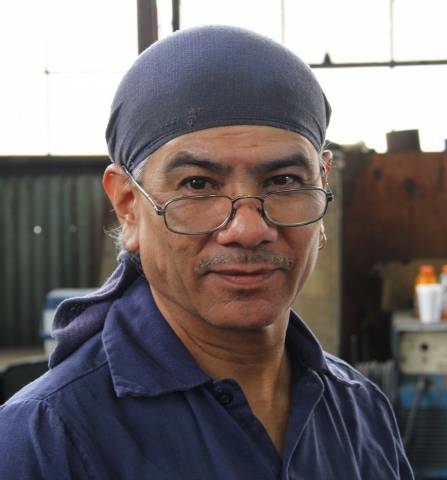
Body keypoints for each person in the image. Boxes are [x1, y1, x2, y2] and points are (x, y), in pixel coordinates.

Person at [0, 25, 413, 479]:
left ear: (323, 186)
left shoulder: (359, 411)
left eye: (283, 182)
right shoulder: (46, 439)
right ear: (128, 206)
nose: (248, 229)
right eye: (198, 185)